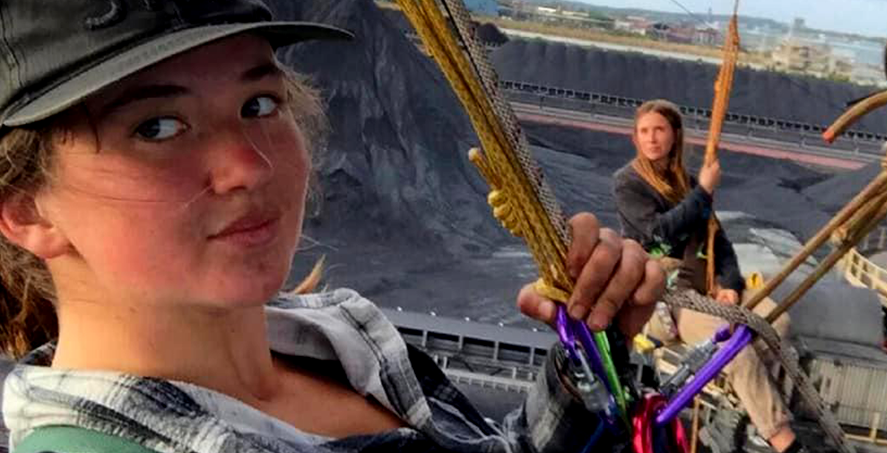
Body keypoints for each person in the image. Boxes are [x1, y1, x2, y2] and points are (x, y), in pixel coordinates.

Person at [0, 1, 665, 452]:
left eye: (258, 104)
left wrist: (588, 354)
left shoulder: (339, 342)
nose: (248, 165)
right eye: (157, 127)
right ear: (24, 208)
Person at [612, 100, 803, 453]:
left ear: (674, 135)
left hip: (705, 282)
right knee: (735, 350)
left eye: (659, 130)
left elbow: (719, 241)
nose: (652, 138)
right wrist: (703, 192)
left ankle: (744, 407)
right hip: (665, 292)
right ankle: (782, 439)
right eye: (644, 131)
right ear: (634, 138)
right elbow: (659, 233)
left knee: (779, 324)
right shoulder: (628, 183)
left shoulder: (687, 184)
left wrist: (729, 285)